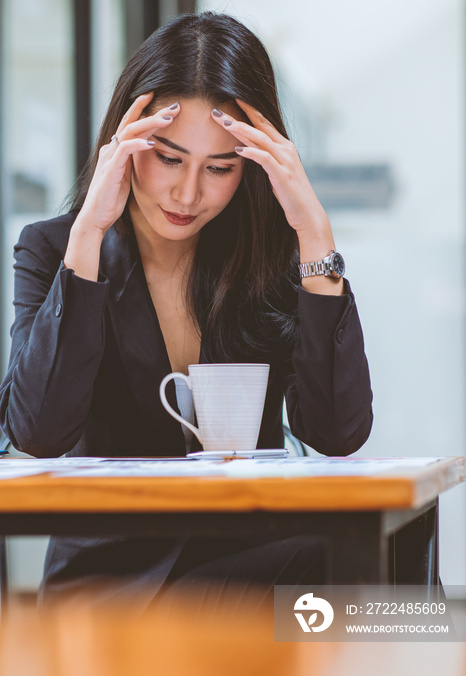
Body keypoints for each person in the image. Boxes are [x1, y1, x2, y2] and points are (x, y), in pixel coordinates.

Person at [0, 11, 373, 607]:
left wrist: (315, 238)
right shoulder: (58, 248)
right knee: (364, 585)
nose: (187, 193)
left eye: (219, 168)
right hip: (114, 580)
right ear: (124, 144)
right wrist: (89, 236)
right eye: (168, 158)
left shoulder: (271, 256)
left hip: (252, 557)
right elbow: (40, 433)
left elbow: (337, 432)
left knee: (391, 580)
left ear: (252, 165)